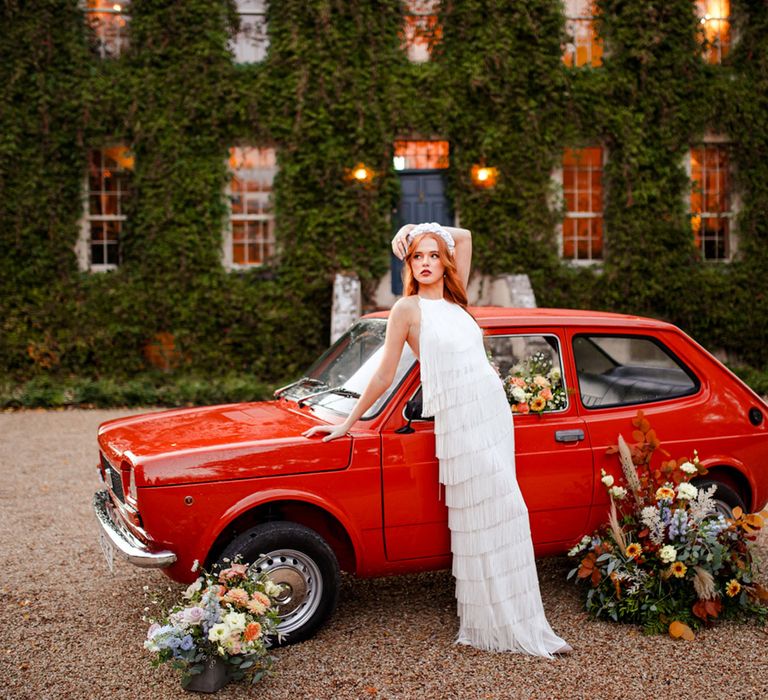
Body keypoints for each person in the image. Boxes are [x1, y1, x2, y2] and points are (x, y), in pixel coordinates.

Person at [303, 222, 571, 657]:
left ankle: (519, 619)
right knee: (489, 515)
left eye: (431, 255)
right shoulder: (406, 310)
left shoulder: (455, 296)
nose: (425, 263)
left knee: (509, 512)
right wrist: (346, 424)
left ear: (442, 263)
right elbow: (385, 374)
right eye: (416, 256)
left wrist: (417, 227)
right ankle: (496, 623)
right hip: (460, 422)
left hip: (492, 413)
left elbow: (464, 235)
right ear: (408, 264)